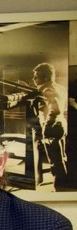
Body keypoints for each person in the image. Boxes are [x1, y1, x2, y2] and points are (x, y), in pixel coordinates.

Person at [31, 63, 69, 191]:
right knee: (62, 157)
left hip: (52, 128)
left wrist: (46, 128)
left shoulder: (47, 89)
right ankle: (63, 184)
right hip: (61, 125)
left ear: (46, 78)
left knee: (55, 160)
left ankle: (59, 187)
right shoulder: (60, 87)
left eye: (36, 77)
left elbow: (56, 109)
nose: (34, 80)